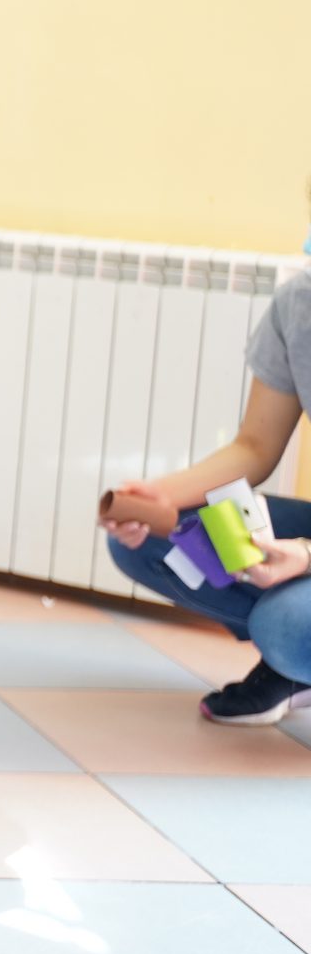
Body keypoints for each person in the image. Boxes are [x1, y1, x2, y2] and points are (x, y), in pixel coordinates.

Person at [100, 262, 311, 725]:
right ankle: (294, 668)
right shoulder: (300, 304)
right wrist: (158, 497)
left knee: (292, 627)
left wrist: (306, 555)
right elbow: (254, 446)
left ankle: (293, 647)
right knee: (159, 540)